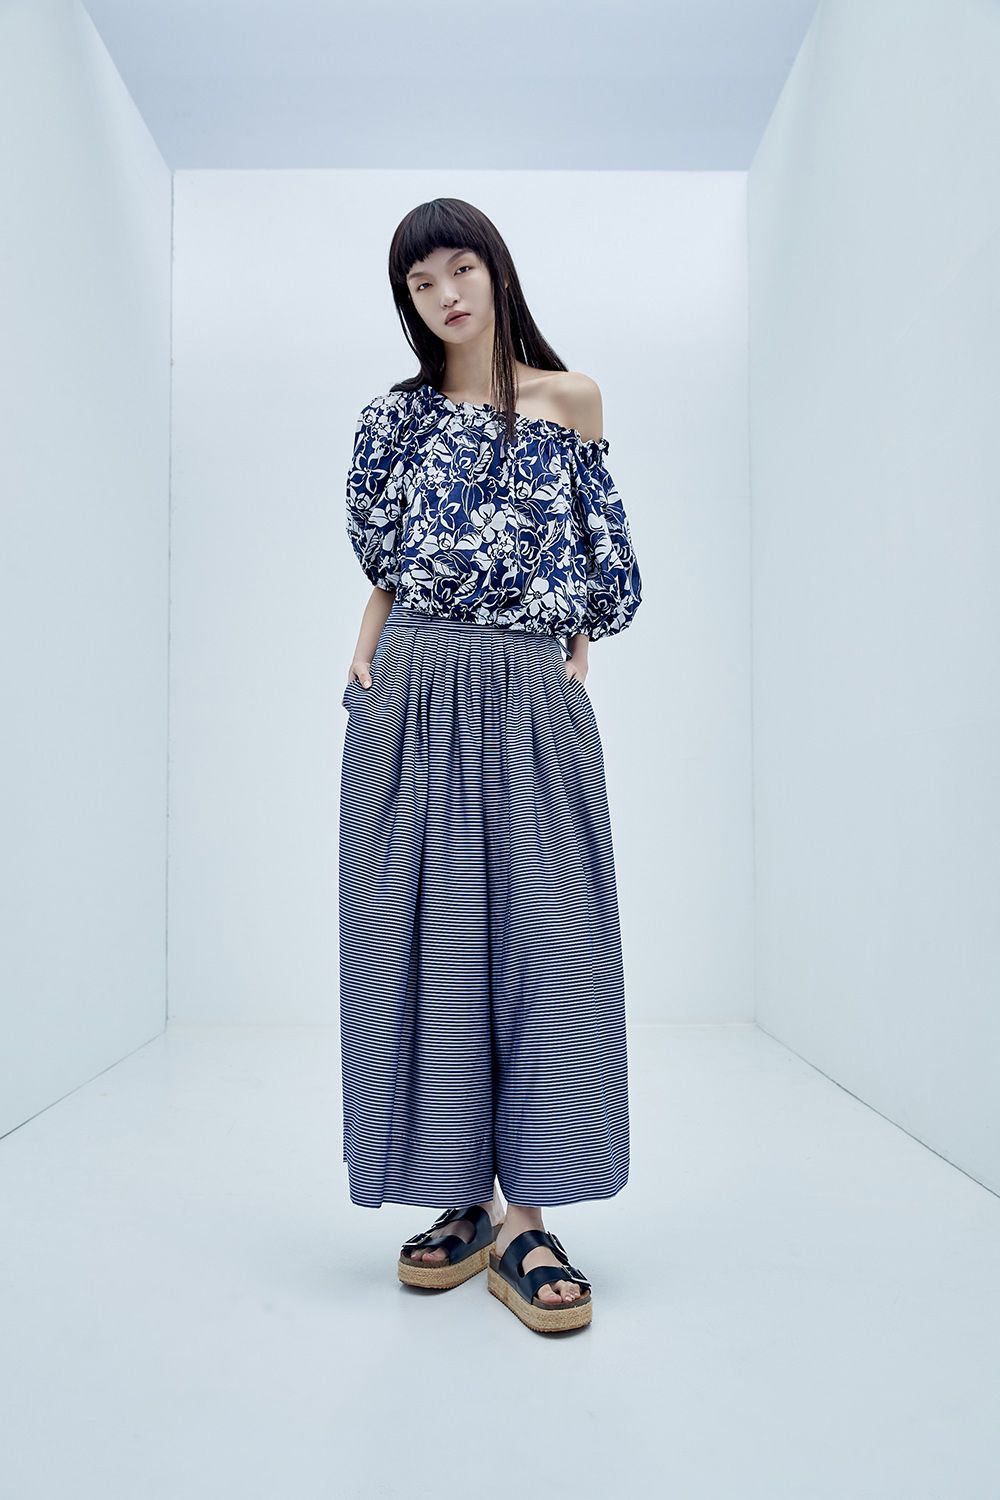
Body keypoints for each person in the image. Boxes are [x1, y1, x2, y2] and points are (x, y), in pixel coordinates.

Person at [339, 197, 643, 1334]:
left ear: (496, 271)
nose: (445, 295)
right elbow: (387, 559)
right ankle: (459, 1197)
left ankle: (529, 1219)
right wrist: (366, 652)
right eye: (420, 283)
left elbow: (601, 557)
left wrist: (573, 644)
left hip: (527, 688)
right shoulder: (393, 418)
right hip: (411, 682)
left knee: (550, 945)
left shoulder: (572, 399)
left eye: (459, 269)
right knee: (423, 944)